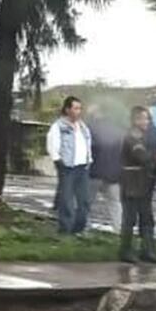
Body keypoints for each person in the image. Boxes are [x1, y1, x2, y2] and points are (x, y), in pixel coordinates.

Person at [118, 106, 156, 264]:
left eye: (147, 118)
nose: (146, 121)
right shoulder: (131, 136)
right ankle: (125, 251)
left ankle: (148, 250)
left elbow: (149, 161)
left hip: (144, 183)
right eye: (143, 118)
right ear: (135, 120)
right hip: (131, 183)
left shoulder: (144, 136)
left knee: (147, 218)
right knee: (129, 219)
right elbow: (141, 156)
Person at [46, 96, 93, 234]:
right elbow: (52, 146)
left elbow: (87, 144)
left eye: (80, 108)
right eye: (76, 108)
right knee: (66, 200)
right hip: (67, 167)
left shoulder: (83, 126)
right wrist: (59, 161)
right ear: (67, 110)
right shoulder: (58, 126)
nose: (79, 111)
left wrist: (89, 160)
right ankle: (65, 229)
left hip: (82, 167)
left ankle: (78, 228)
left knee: (84, 201)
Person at [86, 107, 123, 233]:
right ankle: (119, 230)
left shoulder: (90, 129)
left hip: (95, 172)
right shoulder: (118, 130)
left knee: (86, 202)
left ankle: (84, 227)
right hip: (113, 175)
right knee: (115, 203)